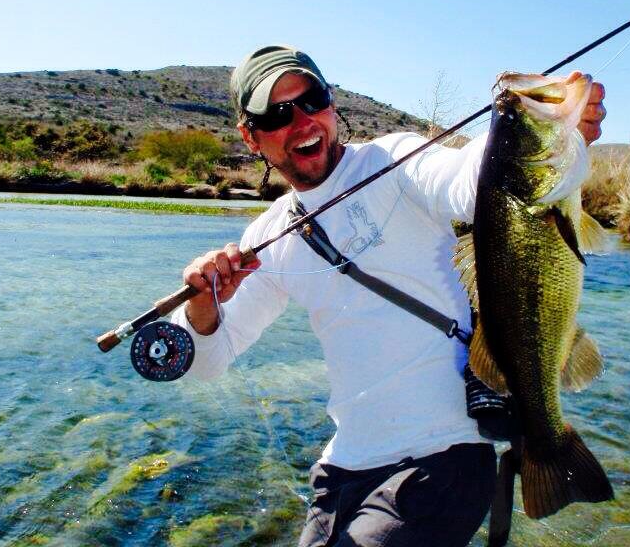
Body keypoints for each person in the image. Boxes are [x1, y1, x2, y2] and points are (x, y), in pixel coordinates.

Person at [172, 45, 607, 547]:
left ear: (332, 105)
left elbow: (476, 181)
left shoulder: (396, 161)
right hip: (341, 472)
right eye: (277, 114)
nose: (303, 121)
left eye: (312, 99)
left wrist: (553, 132)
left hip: (443, 460)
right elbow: (209, 360)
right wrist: (202, 306)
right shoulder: (268, 240)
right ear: (251, 137)